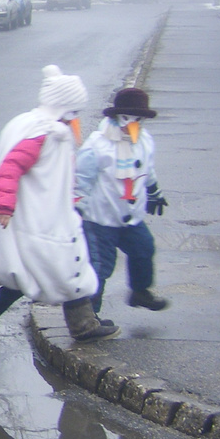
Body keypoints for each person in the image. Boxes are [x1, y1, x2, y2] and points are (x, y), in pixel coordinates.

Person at [0, 65, 113, 347]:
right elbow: (11, 167)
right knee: (54, 270)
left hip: (44, 217)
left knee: (55, 271)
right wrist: (4, 205)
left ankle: (82, 323)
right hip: (39, 221)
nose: (77, 119)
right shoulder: (45, 133)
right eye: (75, 111)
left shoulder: (39, 126)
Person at [76, 87, 169, 314]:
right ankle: (89, 317)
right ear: (116, 117)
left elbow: (147, 169)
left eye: (138, 119)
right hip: (99, 219)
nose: (131, 124)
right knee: (100, 268)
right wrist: (76, 208)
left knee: (144, 249)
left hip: (131, 217)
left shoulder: (144, 140)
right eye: (127, 118)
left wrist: (154, 190)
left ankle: (140, 291)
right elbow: (80, 180)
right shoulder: (97, 145)